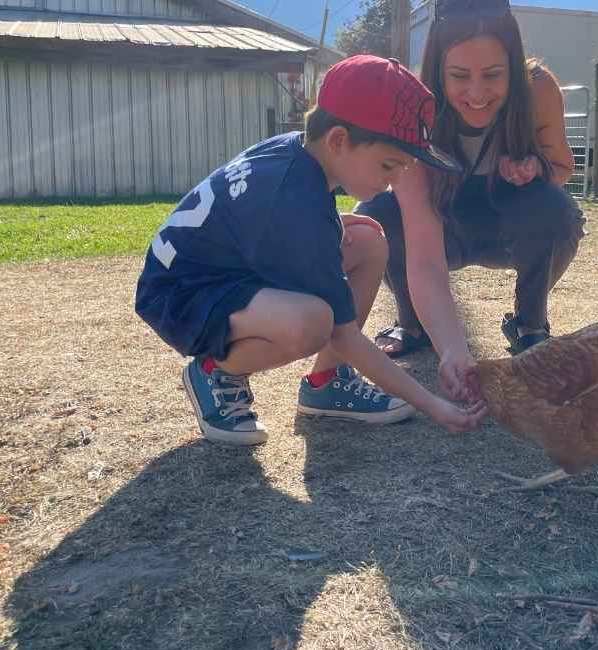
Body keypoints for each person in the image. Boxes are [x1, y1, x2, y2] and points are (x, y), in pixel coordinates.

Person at [134, 54, 485, 446]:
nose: (393, 182)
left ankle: (326, 382)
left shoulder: (299, 153)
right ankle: (216, 372)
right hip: (180, 295)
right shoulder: (293, 200)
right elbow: (344, 336)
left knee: (366, 240)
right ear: (339, 139)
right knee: (313, 323)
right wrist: (433, 405)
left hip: (216, 270)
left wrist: (332, 226)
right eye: (389, 165)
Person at [356, 0, 585, 402]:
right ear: (437, 72)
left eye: (493, 75)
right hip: (439, 224)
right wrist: (454, 351)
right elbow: (425, 258)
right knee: (376, 216)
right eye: (460, 76)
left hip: (506, 221)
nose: (477, 94)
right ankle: (413, 324)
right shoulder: (412, 107)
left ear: (514, 69)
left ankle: (529, 324)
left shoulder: (538, 89)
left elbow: (562, 167)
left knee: (560, 211)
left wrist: (535, 168)